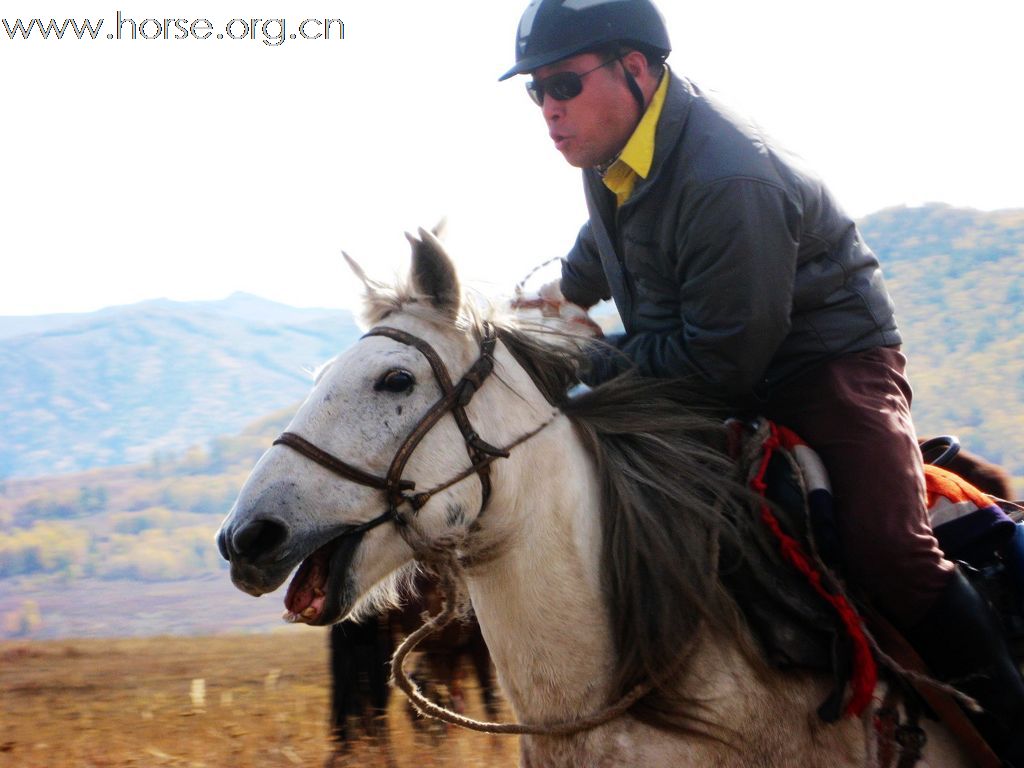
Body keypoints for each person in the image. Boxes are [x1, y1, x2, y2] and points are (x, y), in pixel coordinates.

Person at [499, 0, 1024, 762]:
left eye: (563, 85)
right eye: (534, 91)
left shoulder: (728, 177)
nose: (548, 108)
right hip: (708, 353)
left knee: (891, 553)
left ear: (636, 69)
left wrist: (590, 359)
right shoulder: (614, 151)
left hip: (827, 367)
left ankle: (1009, 726)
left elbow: (719, 367)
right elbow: (604, 245)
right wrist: (548, 308)